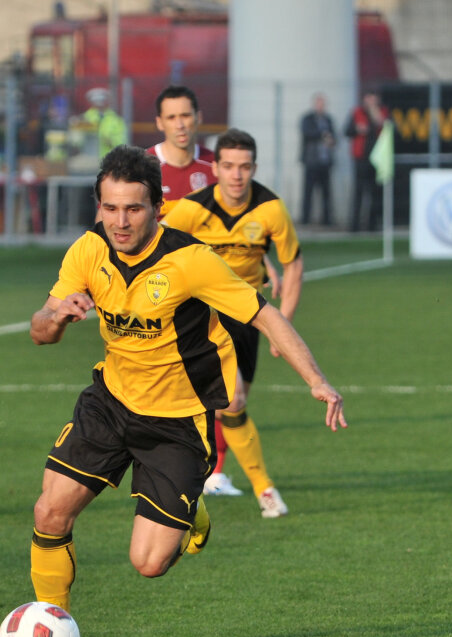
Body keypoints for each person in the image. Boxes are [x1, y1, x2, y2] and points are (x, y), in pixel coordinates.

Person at [27, 145, 346, 612]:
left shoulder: (190, 261)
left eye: (133, 209)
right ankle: (50, 623)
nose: (120, 221)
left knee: (149, 563)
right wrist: (56, 318)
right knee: (49, 512)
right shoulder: (88, 249)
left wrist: (317, 380)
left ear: (158, 208)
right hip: (111, 402)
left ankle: (191, 512)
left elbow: (265, 316)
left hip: (176, 422)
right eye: (110, 208)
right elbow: (40, 330)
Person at [164, 128, 303, 519]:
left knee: (232, 406)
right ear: (216, 168)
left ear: (254, 168)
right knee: (233, 399)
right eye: (228, 166)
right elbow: (160, 250)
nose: (237, 175)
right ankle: (265, 489)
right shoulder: (192, 209)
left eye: (244, 167)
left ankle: (204, 474)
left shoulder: (271, 209)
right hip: (205, 314)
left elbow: (294, 264)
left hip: (250, 312)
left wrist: (284, 323)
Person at [150, 85, 215, 219]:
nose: (180, 125)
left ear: (199, 117)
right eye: (171, 118)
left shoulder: (216, 166)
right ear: (159, 123)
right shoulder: (140, 166)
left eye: (185, 116)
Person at [344, 91, 388, 233]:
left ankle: (372, 224)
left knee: (375, 193)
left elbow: (388, 128)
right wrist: (357, 129)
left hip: (377, 159)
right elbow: (347, 131)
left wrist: (377, 116)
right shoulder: (357, 113)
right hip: (361, 158)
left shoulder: (382, 112)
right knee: (359, 192)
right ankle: (355, 225)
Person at [299, 93, 336, 226]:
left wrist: (331, 140)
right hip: (311, 161)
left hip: (325, 162)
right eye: (319, 103)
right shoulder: (307, 119)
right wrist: (322, 135)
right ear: (314, 104)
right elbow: (307, 133)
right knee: (308, 192)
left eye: (323, 103)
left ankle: (327, 219)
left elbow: (334, 136)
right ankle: (305, 219)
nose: (321, 106)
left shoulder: (328, 119)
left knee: (326, 193)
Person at [80, 87, 127, 159]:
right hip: (89, 160)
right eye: (96, 102)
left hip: (110, 159)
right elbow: (77, 140)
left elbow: (123, 141)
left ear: (107, 102)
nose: (99, 105)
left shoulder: (116, 120)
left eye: (101, 101)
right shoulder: (84, 119)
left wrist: (112, 142)